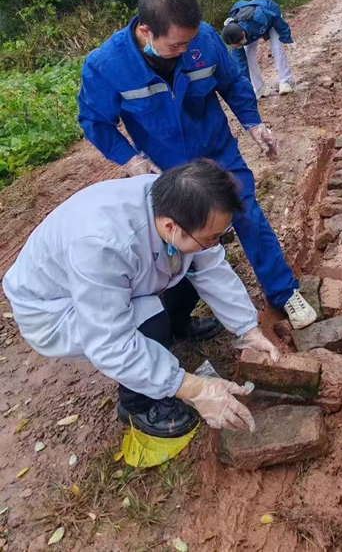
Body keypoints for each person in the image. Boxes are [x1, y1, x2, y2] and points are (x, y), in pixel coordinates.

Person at [77, 0, 316, 329]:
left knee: (246, 212)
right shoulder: (107, 66)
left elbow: (232, 82)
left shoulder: (203, 39)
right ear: (146, 31)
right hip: (166, 167)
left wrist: (253, 123)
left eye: (189, 42)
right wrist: (130, 160)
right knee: (177, 240)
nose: (186, 50)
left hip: (216, 150)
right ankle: (180, 319)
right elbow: (95, 121)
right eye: (176, 45)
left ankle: (283, 291)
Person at [2, 160, 281, 438]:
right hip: (55, 306)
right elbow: (110, 342)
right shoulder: (102, 246)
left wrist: (248, 328)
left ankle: (177, 327)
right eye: (211, 237)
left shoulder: (179, 202)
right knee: (150, 321)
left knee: (191, 264)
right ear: (172, 226)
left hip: (110, 278)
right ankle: (137, 404)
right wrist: (193, 388)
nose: (215, 243)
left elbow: (210, 265)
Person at [221, 0, 295, 98]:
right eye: (236, 46)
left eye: (239, 44)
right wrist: (245, 88)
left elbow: (277, 20)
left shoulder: (259, 17)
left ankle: (285, 81)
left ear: (243, 35)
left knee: (277, 47)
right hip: (252, 29)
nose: (238, 47)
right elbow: (240, 65)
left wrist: (287, 38)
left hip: (271, 18)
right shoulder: (234, 35)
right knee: (248, 56)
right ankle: (260, 88)